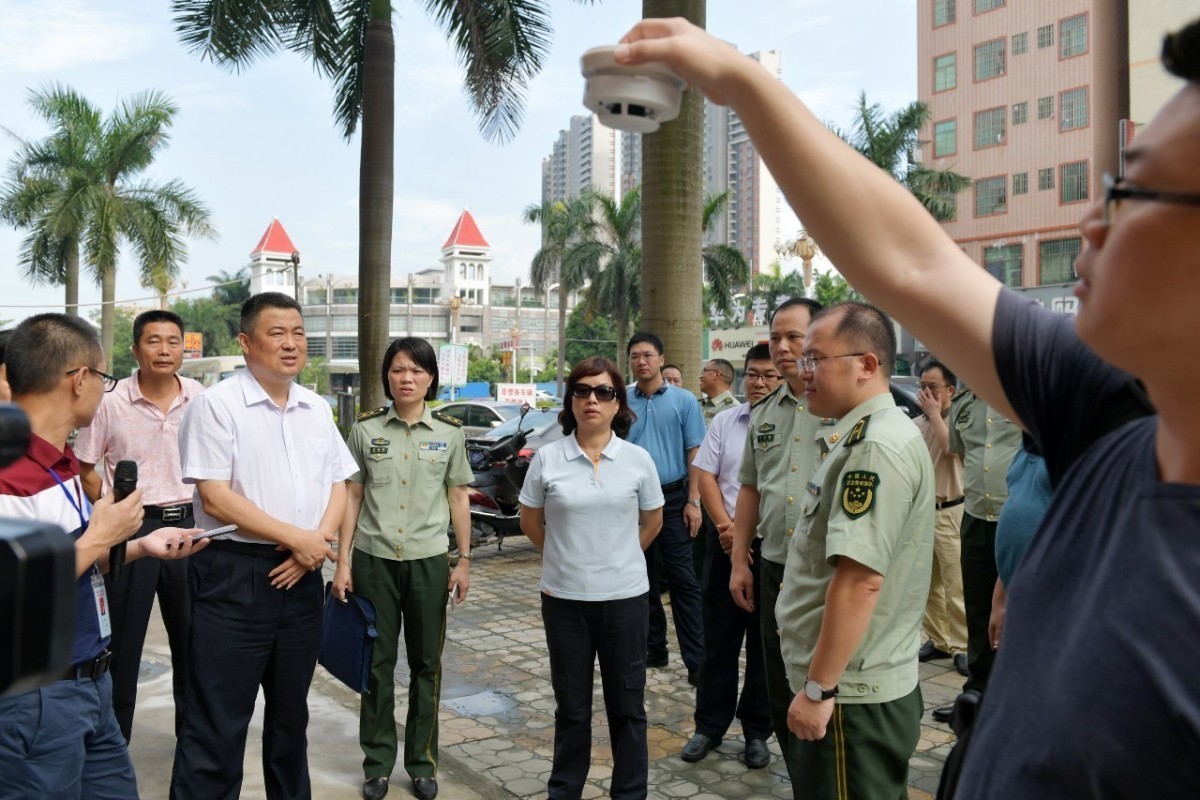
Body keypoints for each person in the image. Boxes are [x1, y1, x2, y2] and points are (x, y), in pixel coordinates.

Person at [616, 17, 1200, 796]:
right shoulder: (1110, 419)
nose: (1091, 221)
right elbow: (912, 262)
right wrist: (741, 83)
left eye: (1128, 190)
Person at [0, 313, 204, 799]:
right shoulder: (9, 473)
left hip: (90, 680)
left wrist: (136, 546)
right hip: (37, 697)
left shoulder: (60, 464)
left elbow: (68, 564)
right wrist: (100, 536)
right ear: (78, 380)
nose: (103, 390)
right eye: (101, 376)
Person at [170, 292, 356, 800]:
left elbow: (339, 483)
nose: (291, 343)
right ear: (246, 342)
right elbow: (215, 496)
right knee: (217, 724)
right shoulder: (217, 405)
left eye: (298, 332)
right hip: (234, 577)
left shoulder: (315, 407)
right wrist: (297, 539)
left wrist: (311, 545)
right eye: (277, 333)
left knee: (291, 721)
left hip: (299, 582)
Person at [770, 303, 933, 798]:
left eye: (816, 358)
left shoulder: (874, 448)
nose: (804, 371)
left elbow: (861, 581)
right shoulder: (858, 437)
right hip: (851, 686)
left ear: (866, 364)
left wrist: (819, 689)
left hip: (848, 695)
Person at [334, 337, 474, 800]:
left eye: (416, 370)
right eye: (397, 370)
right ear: (387, 377)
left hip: (429, 562)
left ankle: (422, 762)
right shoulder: (366, 430)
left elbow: (458, 497)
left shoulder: (450, 432)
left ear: (431, 377)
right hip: (373, 561)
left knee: (426, 665)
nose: (406, 378)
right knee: (376, 665)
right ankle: (377, 763)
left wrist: (464, 561)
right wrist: (343, 561)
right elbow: (352, 496)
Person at [519, 356, 664, 800]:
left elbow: (652, 522)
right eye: (582, 391)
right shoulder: (548, 458)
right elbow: (531, 521)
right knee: (572, 705)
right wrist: (566, 557)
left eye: (604, 392)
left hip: (625, 600)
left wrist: (617, 556)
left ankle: (630, 792)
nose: (592, 400)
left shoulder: (637, 459)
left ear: (618, 402)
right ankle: (565, 790)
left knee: (627, 705)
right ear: (570, 400)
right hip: (564, 600)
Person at [74, 309, 202, 743]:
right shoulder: (111, 402)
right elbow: (86, 467)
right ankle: (113, 745)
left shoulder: (201, 398)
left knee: (193, 647)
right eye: (153, 341)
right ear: (135, 349)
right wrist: (112, 513)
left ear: (182, 348)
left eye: (172, 341)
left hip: (189, 528)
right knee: (123, 648)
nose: (164, 350)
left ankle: (193, 750)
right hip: (132, 531)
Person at [727, 297, 824, 783]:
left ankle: (823, 774)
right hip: (772, 565)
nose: (782, 348)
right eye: (775, 337)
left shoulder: (839, 405)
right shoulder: (764, 413)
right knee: (777, 673)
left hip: (826, 573)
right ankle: (800, 774)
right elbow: (750, 488)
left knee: (823, 678)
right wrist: (740, 561)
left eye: (795, 337)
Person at [681, 344, 779, 770]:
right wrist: (725, 529)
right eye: (753, 374)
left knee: (764, 644)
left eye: (770, 376)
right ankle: (709, 726)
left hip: (773, 549)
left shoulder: (800, 424)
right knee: (718, 640)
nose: (759, 383)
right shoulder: (725, 420)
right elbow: (705, 476)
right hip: (725, 545)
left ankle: (757, 731)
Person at [625, 332, 706, 682]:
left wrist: (694, 501)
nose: (641, 361)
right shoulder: (620, 400)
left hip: (673, 499)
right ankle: (653, 649)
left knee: (683, 582)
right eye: (635, 356)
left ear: (661, 359)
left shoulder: (685, 400)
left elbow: (695, 453)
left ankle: (697, 663)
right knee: (640, 579)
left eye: (647, 355)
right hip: (631, 502)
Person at [912, 360, 968, 677]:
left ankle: (962, 646)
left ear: (950, 390)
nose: (926, 393)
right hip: (921, 513)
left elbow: (951, 450)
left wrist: (935, 415)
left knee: (955, 584)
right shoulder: (916, 424)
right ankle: (939, 639)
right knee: (925, 584)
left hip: (951, 512)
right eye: (922, 386)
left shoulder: (960, 421)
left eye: (932, 386)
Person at [698, 358, 737, 426]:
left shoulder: (734, 409)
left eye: (704, 371)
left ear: (716, 375)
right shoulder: (698, 404)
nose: (700, 377)